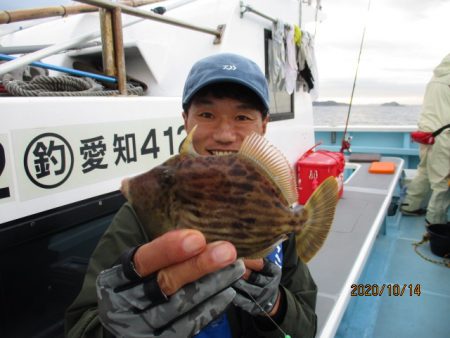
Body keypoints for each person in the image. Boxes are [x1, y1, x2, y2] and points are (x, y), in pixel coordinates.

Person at [65, 53, 318, 338]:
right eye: (207, 115)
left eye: (242, 117)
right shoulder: (142, 214)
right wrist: (113, 332)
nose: (224, 134)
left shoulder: (274, 211)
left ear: (263, 125)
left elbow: (307, 327)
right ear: (186, 121)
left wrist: (277, 306)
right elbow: (81, 324)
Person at [401, 53, 450, 225]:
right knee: (441, 182)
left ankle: (410, 205)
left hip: (427, 134)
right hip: (444, 136)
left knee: (424, 171)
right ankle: (435, 221)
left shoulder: (436, 77)